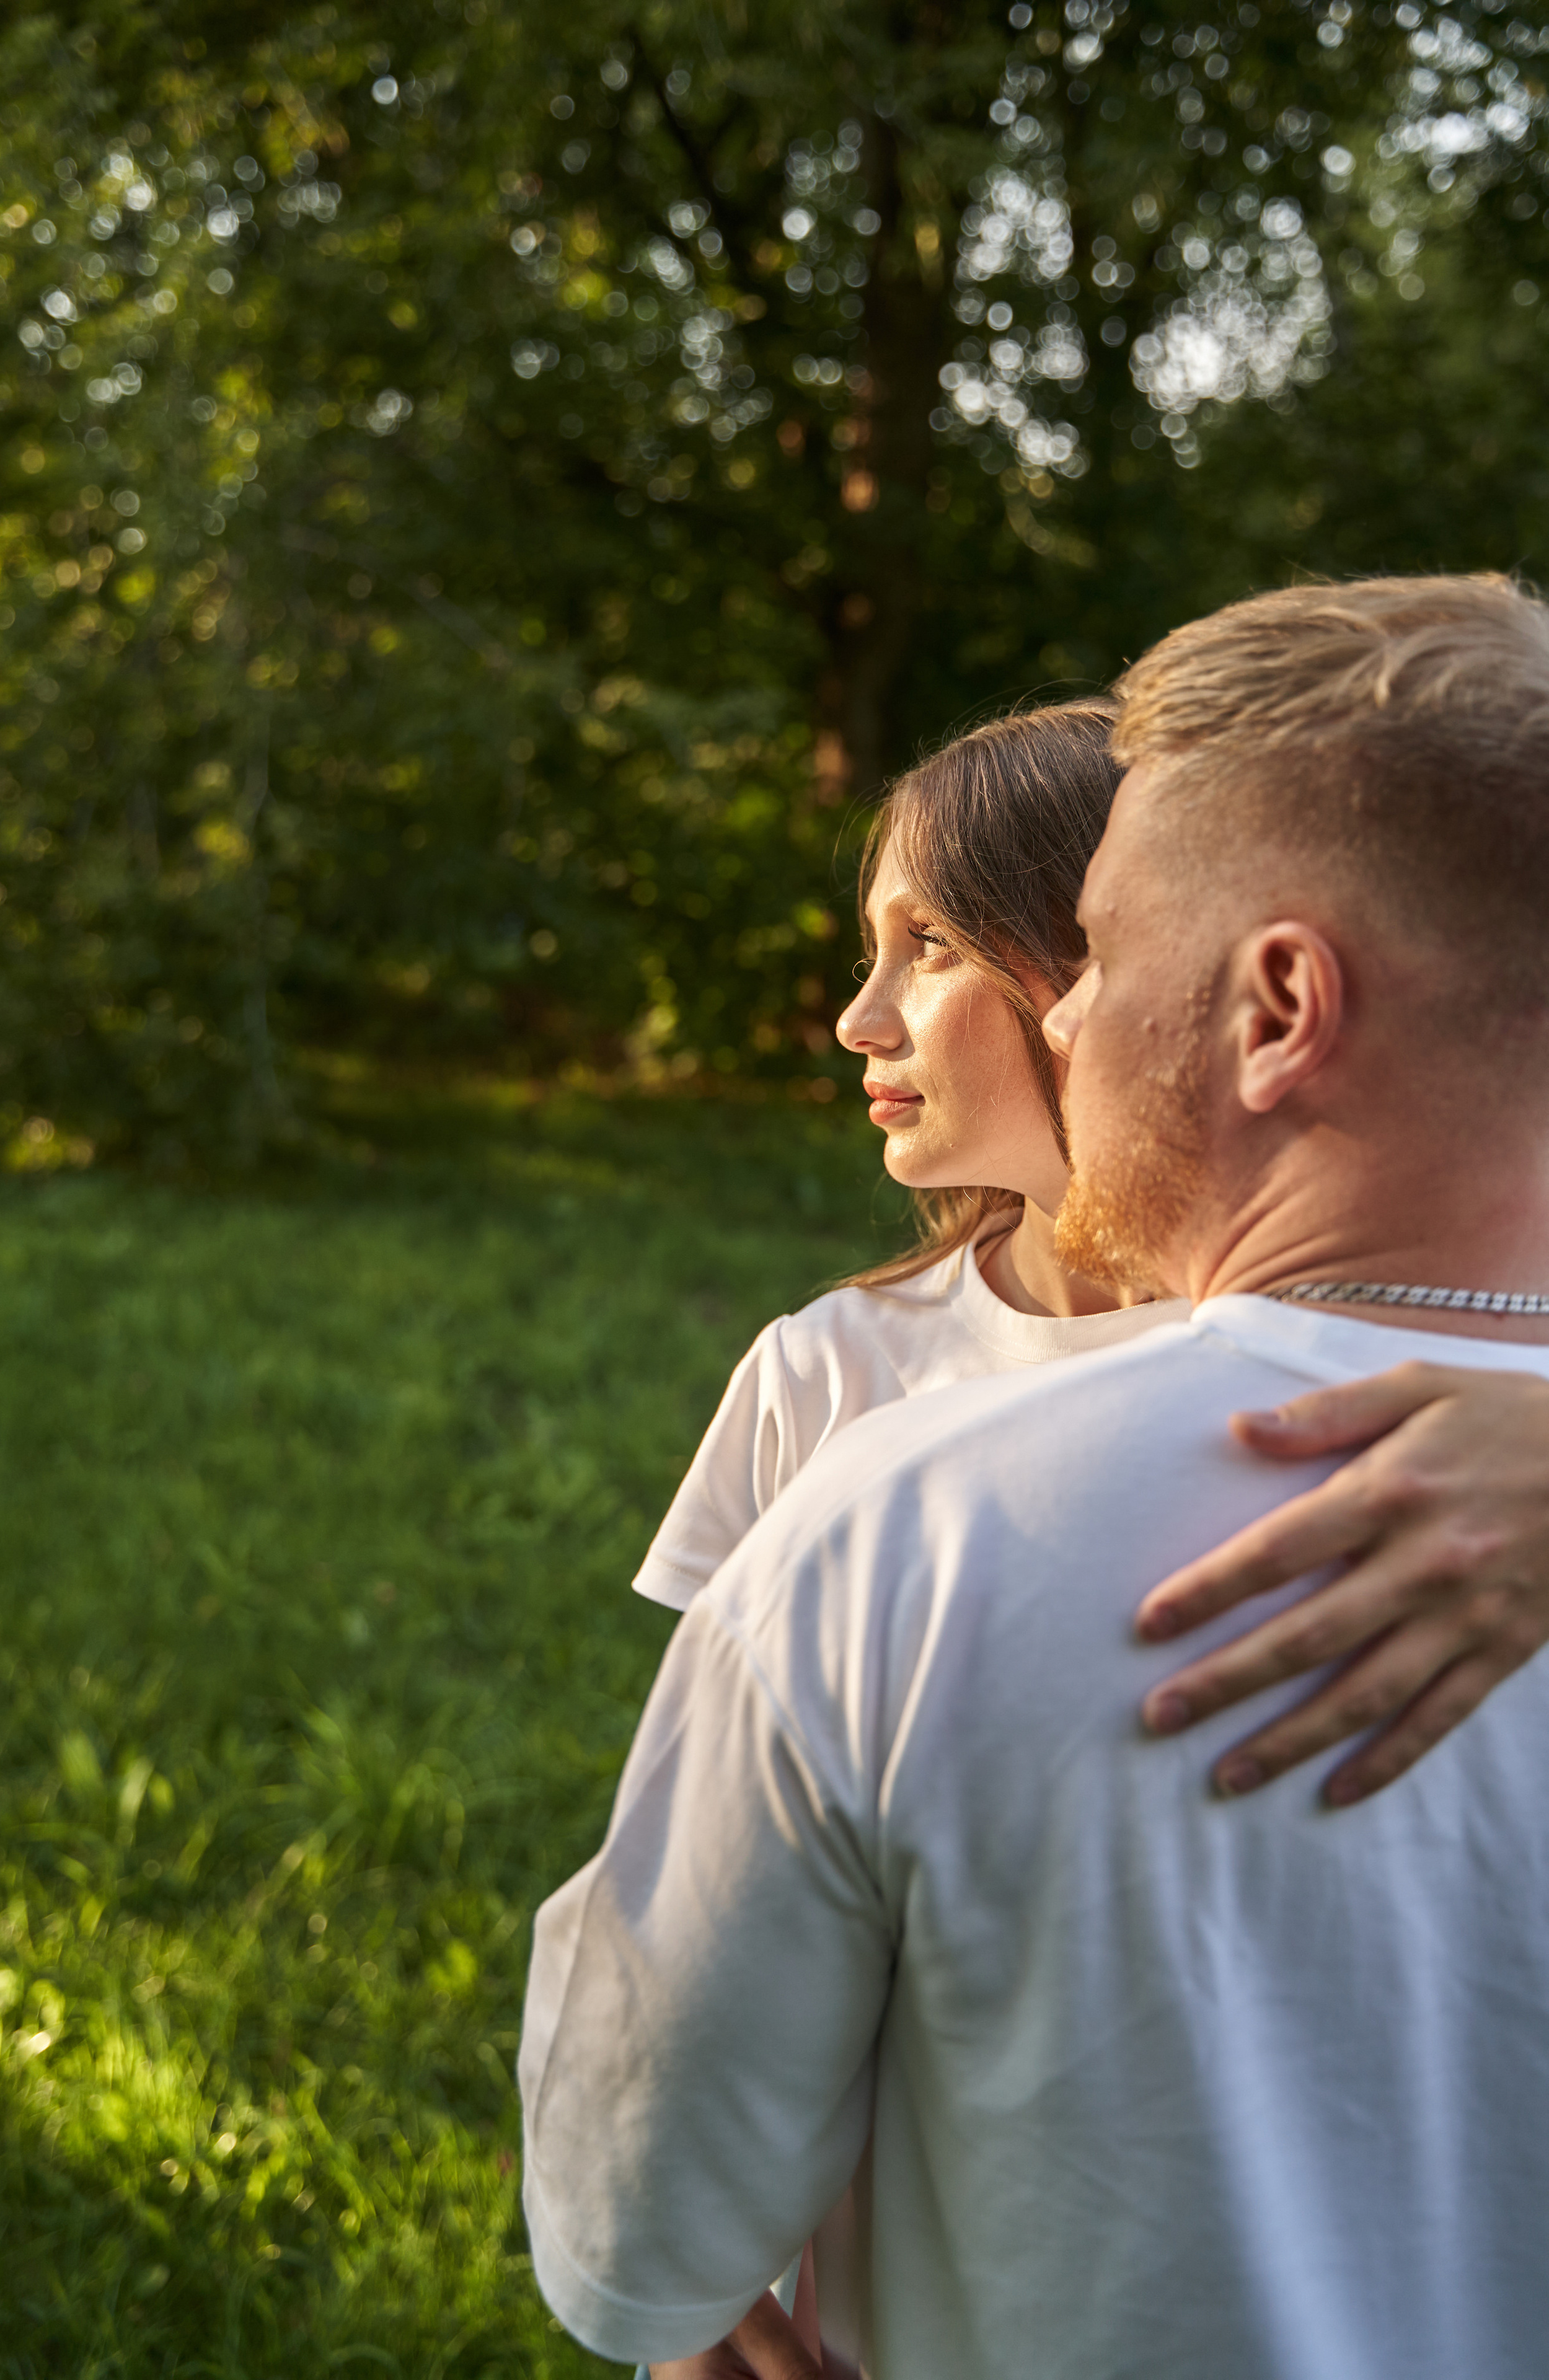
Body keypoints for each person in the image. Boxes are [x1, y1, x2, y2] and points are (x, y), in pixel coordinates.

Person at [521, 573, 1549, 2378]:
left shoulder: (901, 1534)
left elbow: (634, 2228)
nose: (1073, 1021)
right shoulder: (848, 1407)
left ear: (1281, 1002)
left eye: (1109, 953)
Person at [635, 699, 1549, 1808]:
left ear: (1116, 956)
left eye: (930, 945)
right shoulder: (825, 1372)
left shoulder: (1401, 1375)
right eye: (876, 949)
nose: (858, 1020)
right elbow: (720, 1803)